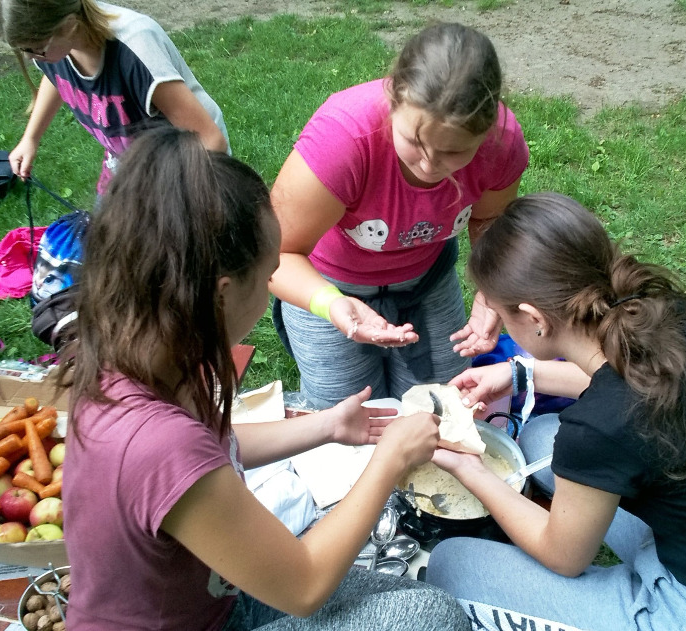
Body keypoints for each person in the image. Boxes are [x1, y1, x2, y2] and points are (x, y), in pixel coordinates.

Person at [56, 126, 470, 631]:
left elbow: (211, 449)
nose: (273, 286)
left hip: (216, 600)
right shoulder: (156, 442)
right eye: (270, 273)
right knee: (434, 616)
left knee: (403, 595)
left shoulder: (142, 354)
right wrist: (391, 460)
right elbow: (304, 586)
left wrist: (328, 426)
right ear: (222, 293)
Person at [425, 193, 686, 631]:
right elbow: (633, 391)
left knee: (452, 566)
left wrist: (473, 471)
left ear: (534, 318)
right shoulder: (678, 315)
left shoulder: (598, 428)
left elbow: (564, 557)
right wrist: (520, 373)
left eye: (501, 315)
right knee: (541, 437)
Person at [268, 22, 530, 408]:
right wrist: (329, 303)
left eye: (454, 151)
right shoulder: (342, 141)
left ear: (487, 130)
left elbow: (489, 222)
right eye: (414, 141)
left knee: (443, 406)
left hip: (427, 278)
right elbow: (275, 253)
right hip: (327, 281)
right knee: (347, 418)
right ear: (392, 99)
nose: (429, 165)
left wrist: (493, 291)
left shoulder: (502, 143)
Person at [0, 0, 229, 196]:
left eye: (35, 48)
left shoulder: (136, 48)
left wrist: (170, 199)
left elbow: (210, 140)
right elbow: (57, 77)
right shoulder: (54, 50)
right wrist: (30, 138)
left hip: (187, 169)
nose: (31, 58)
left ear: (69, 25)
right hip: (129, 165)